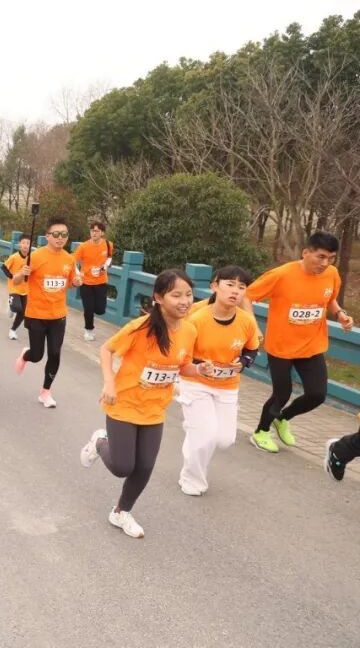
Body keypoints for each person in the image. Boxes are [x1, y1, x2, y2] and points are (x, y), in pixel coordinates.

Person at [79, 269, 212, 538]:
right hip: (125, 403)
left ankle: (121, 512)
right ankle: (100, 442)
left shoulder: (189, 330)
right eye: (176, 295)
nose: (185, 301)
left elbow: (183, 365)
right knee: (122, 467)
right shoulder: (141, 328)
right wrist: (109, 383)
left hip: (155, 408)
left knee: (145, 467)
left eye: (188, 295)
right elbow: (107, 349)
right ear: (159, 298)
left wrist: (198, 370)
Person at [245, 231, 353, 453]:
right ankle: (261, 432)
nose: (325, 263)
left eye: (331, 258)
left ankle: (283, 418)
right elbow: (247, 296)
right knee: (281, 393)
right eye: (321, 257)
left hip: (312, 345)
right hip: (281, 346)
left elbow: (329, 299)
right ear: (305, 253)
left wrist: (340, 313)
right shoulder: (282, 275)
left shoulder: (331, 274)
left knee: (317, 395)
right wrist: (253, 325)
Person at [176, 266, 260, 496]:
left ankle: (195, 428)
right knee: (205, 436)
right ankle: (192, 480)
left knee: (224, 440)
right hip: (196, 382)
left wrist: (243, 362)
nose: (235, 291)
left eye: (241, 287)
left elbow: (252, 349)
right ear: (215, 286)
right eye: (230, 285)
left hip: (227, 386)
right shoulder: (197, 318)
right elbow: (181, 353)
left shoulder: (246, 321)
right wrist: (200, 365)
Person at [12, 217, 82, 408]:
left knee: (55, 353)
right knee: (37, 355)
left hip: (58, 315)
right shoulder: (35, 257)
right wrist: (22, 273)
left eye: (64, 234)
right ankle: (26, 355)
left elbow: (70, 283)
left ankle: (45, 392)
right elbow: (16, 281)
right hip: (36, 314)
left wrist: (76, 282)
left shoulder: (69, 259)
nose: (60, 238)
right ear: (47, 236)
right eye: (56, 234)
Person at [74, 221, 113, 341]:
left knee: (100, 310)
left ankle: (95, 311)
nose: (94, 233)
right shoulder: (83, 246)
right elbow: (72, 261)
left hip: (101, 282)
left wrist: (104, 267)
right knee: (88, 309)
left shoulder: (108, 244)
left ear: (102, 233)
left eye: (96, 231)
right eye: (92, 231)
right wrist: (78, 273)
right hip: (86, 283)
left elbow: (109, 257)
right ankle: (88, 330)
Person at [2, 236, 32, 340]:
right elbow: (4, 267)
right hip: (14, 287)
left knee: (23, 312)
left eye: (28, 243)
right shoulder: (14, 257)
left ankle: (13, 330)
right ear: (20, 244)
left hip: (25, 288)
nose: (25, 245)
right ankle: (11, 305)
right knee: (16, 307)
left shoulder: (31, 258)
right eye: (23, 243)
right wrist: (11, 276)